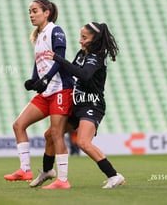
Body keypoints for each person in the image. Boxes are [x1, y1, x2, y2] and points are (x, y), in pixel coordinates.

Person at [29, 22, 125, 189]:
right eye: (81, 36)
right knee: (50, 134)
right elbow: (70, 71)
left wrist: (59, 58)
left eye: (84, 37)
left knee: (82, 142)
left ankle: (114, 175)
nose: (80, 40)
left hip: (92, 105)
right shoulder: (82, 54)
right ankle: (47, 171)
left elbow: (84, 75)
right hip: (77, 104)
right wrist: (43, 79)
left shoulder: (96, 57)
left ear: (94, 39)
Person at [4, 0, 74, 189]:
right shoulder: (39, 35)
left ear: (47, 12)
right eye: (30, 12)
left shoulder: (55, 30)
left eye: (35, 11)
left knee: (55, 133)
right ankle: (25, 170)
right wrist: (34, 80)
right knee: (19, 125)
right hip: (46, 93)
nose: (31, 15)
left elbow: (60, 60)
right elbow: (39, 62)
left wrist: (46, 79)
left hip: (61, 89)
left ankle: (63, 180)